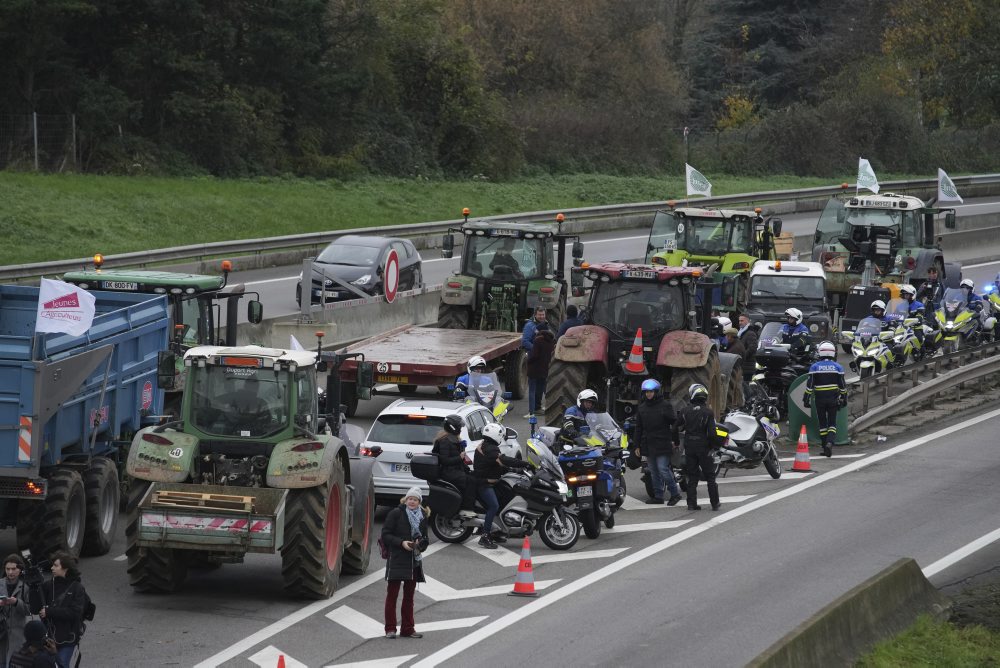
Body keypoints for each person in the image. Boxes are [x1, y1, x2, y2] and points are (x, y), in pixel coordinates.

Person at [381, 487, 429, 639]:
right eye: (410, 499)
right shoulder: (396, 513)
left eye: (415, 500)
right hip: (397, 559)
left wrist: (420, 545)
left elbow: (425, 539)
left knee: (409, 597)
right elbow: (385, 535)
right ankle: (390, 629)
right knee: (392, 595)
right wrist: (401, 543)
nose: (412, 502)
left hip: (413, 562)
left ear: (419, 502)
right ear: (405, 499)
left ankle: (408, 629)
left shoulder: (422, 517)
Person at [473, 423, 528, 548]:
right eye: (501, 436)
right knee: (494, 506)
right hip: (484, 484)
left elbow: (495, 465)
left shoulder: (486, 445)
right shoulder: (490, 448)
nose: (501, 438)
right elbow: (503, 460)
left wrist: (514, 470)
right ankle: (485, 536)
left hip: (490, 482)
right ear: (496, 435)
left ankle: (496, 531)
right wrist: (524, 464)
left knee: (506, 498)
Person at [33, 553, 86, 668]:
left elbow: (75, 613)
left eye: (56, 565)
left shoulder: (77, 588)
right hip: (49, 637)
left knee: (61, 665)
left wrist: (49, 612)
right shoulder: (48, 585)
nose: (52, 568)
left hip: (67, 639)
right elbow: (34, 608)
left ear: (65, 568)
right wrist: (34, 588)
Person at [633, 379, 681, 506]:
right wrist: (636, 445)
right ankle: (658, 496)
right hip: (648, 444)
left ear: (656, 392)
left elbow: (674, 424)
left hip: (662, 443)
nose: (648, 394)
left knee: (663, 469)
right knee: (653, 471)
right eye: (646, 392)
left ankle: (675, 494)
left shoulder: (665, 406)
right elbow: (638, 428)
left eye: (651, 392)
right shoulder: (642, 408)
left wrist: (675, 441)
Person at [674, 384, 721, 511]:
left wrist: (676, 442)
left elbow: (675, 427)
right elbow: (712, 433)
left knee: (692, 475)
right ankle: (715, 503)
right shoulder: (708, 412)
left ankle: (691, 504)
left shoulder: (685, 411)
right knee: (710, 476)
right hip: (704, 447)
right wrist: (713, 447)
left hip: (689, 446)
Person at [803, 341, 847, 458]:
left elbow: (809, 386)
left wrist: (806, 399)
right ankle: (830, 443)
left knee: (822, 423)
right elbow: (843, 386)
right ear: (833, 353)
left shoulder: (815, 367)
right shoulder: (838, 367)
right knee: (832, 423)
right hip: (833, 398)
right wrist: (844, 397)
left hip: (819, 399)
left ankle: (824, 446)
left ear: (820, 353)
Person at [430, 415, 477, 518]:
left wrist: (461, 448)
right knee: (470, 481)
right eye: (459, 427)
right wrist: (460, 457)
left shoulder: (454, 439)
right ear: (453, 427)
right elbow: (445, 460)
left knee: (475, 477)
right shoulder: (444, 441)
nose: (460, 429)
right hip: (448, 472)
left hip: (455, 470)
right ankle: (466, 509)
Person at [1, 555, 31, 667]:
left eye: (14, 569)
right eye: (8, 569)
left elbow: (29, 610)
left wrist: (16, 602)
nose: (10, 572)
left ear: (20, 569)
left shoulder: (25, 587)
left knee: (15, 663)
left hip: (17, 635)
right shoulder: (0, 584)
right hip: (1, 633)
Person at [526, 323, 554, 417]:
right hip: (545, 369)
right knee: (541, 389)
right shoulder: (552, 341)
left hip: (534, 369)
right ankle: (541, 407)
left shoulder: (538, 340)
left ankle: (531, 412)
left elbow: (535, 355)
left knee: (532, 390)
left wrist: (528, 361)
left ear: (540, 331)